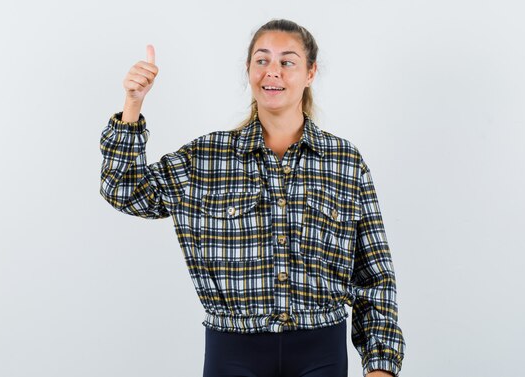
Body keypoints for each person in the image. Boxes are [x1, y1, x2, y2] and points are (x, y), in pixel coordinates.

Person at [100, 19, 406, 377]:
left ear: (310, 73)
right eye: (262, 60)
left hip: (321, 354)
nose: (272, 71)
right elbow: (124, 190)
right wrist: (133, 103)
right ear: (248, 70)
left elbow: (374, 276)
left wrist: (381, 366)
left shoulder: (344, 162)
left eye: (287, 61)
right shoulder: (206, 158)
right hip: (232, 354)